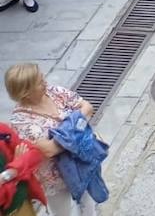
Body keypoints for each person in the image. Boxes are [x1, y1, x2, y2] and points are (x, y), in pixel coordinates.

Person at [4, 63, 104, 216]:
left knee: (89, 208)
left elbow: (88, 107)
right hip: (54, 178)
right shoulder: (20, 121)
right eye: (39, 82)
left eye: (42, 77)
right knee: (61, 214)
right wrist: (76, 125)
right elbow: (50, 150)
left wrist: (64, 138)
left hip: (81, 164)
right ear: (26, 93)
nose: (45, 82)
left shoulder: (54, 92)